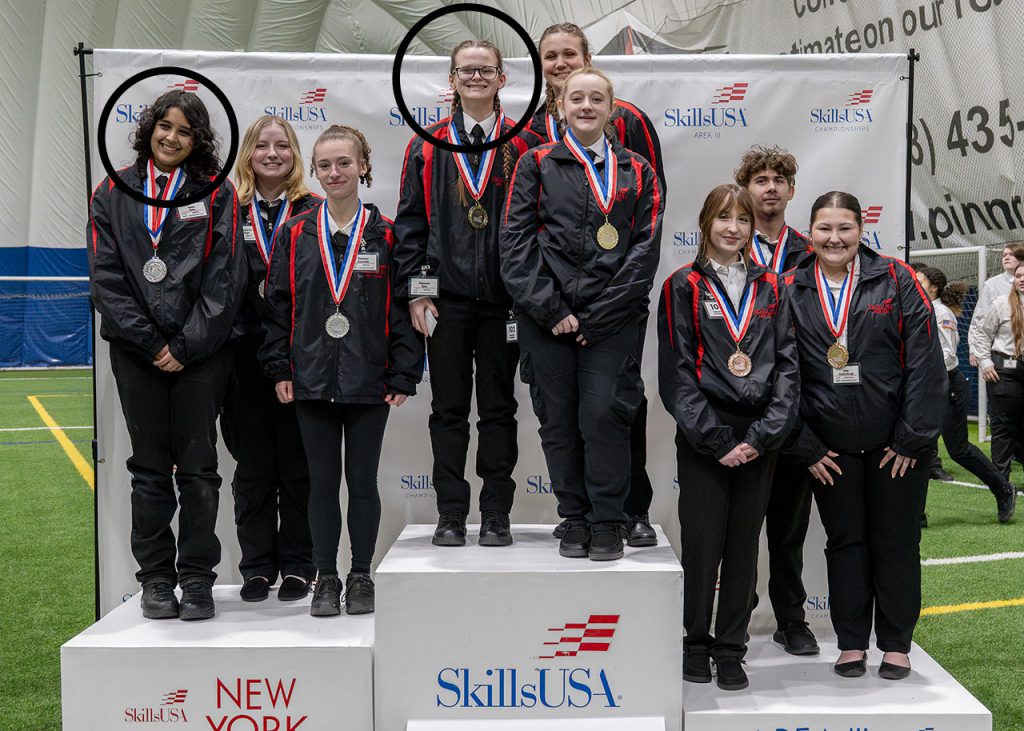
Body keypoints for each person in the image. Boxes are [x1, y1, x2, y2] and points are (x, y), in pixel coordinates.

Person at [87, 90, 243, 621]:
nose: (171, 138)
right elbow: (106, 278)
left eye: (184, 131)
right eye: (164, 127)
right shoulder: (111, 191)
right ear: (149, 128)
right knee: (150, 471)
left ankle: (197, 579)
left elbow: (224, 277)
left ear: (196, 141)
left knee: (199, 470)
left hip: (201, 355)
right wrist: (151, 343)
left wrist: (185, 345)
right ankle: (155, 579)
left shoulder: (217, 194)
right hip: (137, 354)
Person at [502, 66, 664, 562]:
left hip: (611, 324)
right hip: (545, 321)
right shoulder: (534, 163)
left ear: (612, 109)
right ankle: (573, 518)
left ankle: (608, 521)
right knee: (557, 422)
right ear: (561, 107)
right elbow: (514, 242)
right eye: (577, 98)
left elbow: (645, 250)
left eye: (597, 98)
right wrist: (551, 310)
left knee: (604, 417)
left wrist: (598, 315)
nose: (587, 106)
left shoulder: (638, 171)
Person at [261, 125, 423, 616]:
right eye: (325, 165)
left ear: (363, 168)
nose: (335, 173)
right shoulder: (295, 233)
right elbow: (277, 308)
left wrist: (403, 374)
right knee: (322, 482)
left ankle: (360, 575)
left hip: (370, 381)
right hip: (309, 380)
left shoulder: (387, 234)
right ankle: (326, 577)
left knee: (364, 482)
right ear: (314, 171)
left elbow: (405, 309)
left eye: (345, 163)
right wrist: (279, 368)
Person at [785, 191, 946, 680]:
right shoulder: (790, 287)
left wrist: (912, 438)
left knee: (896, 543)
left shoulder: (895, 279)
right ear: (809, 233)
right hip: (829, 450)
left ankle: (896, 644)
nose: (834, 239)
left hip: (894, 448)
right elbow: (780, 376)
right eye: (824, 229)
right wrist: (806, 444)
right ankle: (852, 642)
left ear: (860, 231)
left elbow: (925, 362)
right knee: (845, 542)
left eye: (845, 229)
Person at [393, 40, 536, 548]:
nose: (476, 77)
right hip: (445, 302)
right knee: (448, 411)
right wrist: (418, 292)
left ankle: (496, 514)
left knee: (499, 410)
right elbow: (411, 227)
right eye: (466, 70)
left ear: (502, 79)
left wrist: (524, 292)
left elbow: (537, 226)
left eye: (486, 70)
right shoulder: (426, 145)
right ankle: (451, 514)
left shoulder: (522, 144)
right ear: (451, 80)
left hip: (505, 303)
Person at [657, 184, 799, 691]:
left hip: (760, 438)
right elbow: (675, 374)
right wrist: (717, 440)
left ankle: (730, 648)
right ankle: (695, 642)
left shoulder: (773, 288)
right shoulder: (682, 286)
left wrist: (761, 437)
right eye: (723, 217)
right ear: (705, 223)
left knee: (743, 547)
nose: (734, 227)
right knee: (701, 546)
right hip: (705, 437)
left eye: (742, 219)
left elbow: (788, 369)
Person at [221, 115, 321, 603]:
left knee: (299, 468)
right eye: (262, 146)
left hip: (302, 362)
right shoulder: (226, 209)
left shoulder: (316, 211)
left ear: (295, 154)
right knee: (253, 469)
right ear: (249, 154)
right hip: (241, 362)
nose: (273, 153)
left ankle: (301, 565)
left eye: (283, 145)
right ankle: (257, 566)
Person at [733, 144, 819, 657]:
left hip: (796, 410)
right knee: (740, 530)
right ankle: (735, 619)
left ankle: (792, 619)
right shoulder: (726, 248)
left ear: (790, 189)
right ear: (746, 189)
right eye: (759, 179)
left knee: (788, 530)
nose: (769, 187)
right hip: (743, 409)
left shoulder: (813, 250)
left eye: (777, 179)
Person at [915, 265, 1016, 523]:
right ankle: (917, 512)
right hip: (926, 386)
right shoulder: (919, 310)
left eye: (920, 281)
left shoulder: (941, 314)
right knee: (921, 447)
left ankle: (1003, 489)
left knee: (958, 448)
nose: (914, 284)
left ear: (933, 288)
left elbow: (948, 356)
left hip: (946, 384)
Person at [969, 260, 1024, 496]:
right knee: (1003, 428)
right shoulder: (1002, 304)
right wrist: (985, 361)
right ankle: (1002, 486)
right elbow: (981, 333)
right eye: (1019, 275)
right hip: (1005, 371)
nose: (1021, 279)